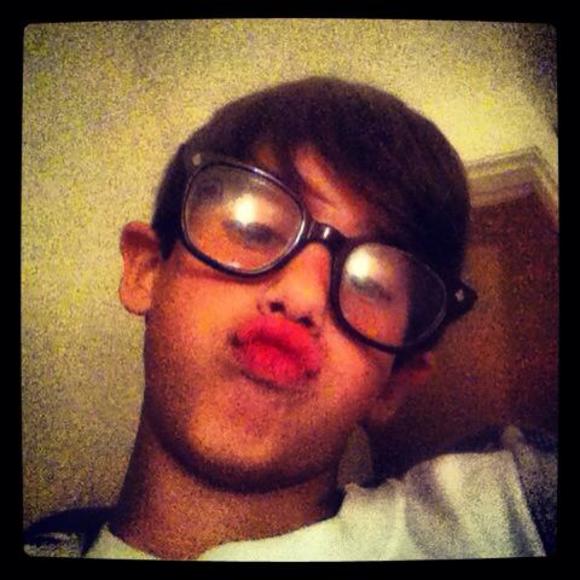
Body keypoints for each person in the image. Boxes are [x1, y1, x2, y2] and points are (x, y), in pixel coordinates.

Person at [24, 77, 556, 560]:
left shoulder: (505, 512)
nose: (302, 296)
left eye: (371, 282)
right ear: (147, 270)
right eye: (253, 227)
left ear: (393, 385)